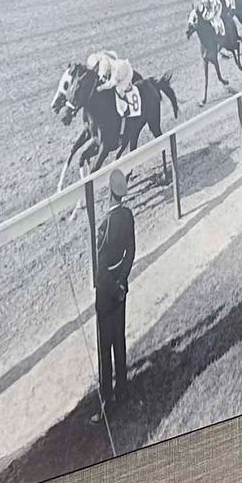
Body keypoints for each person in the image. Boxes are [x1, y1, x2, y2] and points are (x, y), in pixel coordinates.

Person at [93, 170, 136, 407]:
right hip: (121, 287)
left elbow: (100, 270)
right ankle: (122, 390)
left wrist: (111, 288)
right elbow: (131, 251)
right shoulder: (128, 215)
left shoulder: (104, 226)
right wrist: (122, 282)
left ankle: (106, 402)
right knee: (119, 339)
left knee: (104, 349)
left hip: (107, 294)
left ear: (110, 193)